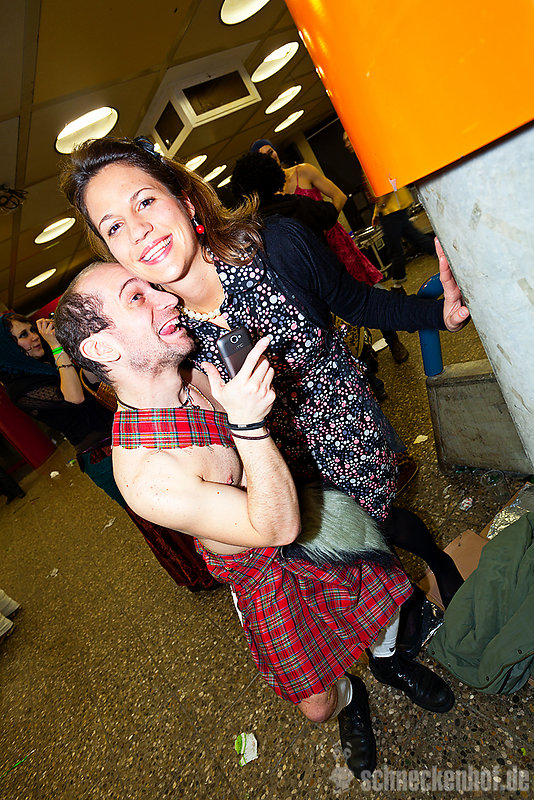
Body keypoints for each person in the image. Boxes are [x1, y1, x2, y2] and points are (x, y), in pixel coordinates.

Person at [54, 260, 455, 778]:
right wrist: (247, 424)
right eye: (137, 297)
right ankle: (350, 694)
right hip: (260, 568)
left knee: (382, 609)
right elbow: (275, 529)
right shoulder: (146, 474)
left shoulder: (193, 371)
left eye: (154, 288)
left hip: (306, 510)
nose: (167, 299)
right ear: (103, 347)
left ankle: (390, 663)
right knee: (316, 705)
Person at [59, 135, 468, 610]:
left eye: (146, 201)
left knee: (380, 520)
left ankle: (438, 563)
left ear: (185, 202)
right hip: (268, 455)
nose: (138, 231)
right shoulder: (162, 329)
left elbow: (358, 302)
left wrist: (437, 315)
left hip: (344, 420)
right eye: (113, 227)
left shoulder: (275, 246)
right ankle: (401, 613)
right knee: (341, 547)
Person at [0, 312, 218, 591]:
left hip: (125, 436)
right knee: (155, 517)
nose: (33, 337)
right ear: (8, 349)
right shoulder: (21, 388)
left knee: (178, 497)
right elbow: (74, 397)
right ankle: (198, 574)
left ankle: (219, 557)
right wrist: (56, 348)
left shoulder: (46, 364)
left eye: (32, 330)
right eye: (23, 336)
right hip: (101, 454)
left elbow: (93, 379)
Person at [249, 139, 410, 365]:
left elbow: (339, 196)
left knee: (363, 288)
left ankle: (393, 340)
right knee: (335, 304)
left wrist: (325, 222)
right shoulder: (269, 194)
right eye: (263, 156)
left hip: (334, 240)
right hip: (311, 252)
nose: (270, 157)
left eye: (271, 152)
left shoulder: (303, 171)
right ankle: (362, 354)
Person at [342, 132, 436, 289]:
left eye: (347, 140)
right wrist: (376, 212)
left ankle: (398, 283)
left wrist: (381, 206)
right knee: (413, 238)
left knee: (395, 247)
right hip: (390, 208)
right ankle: (440, 255)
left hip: (392, 208)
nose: (346, 145)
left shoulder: (370, 157)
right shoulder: (366, 157)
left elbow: (386, 183)